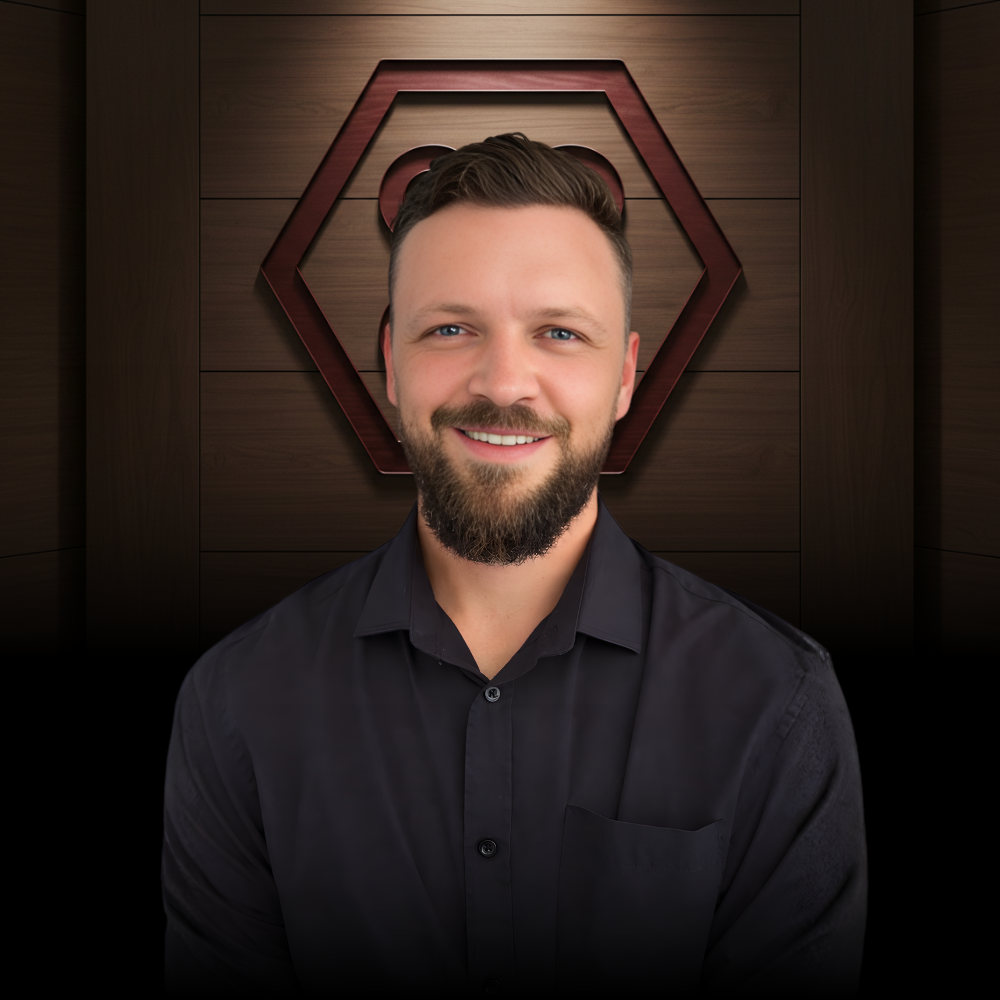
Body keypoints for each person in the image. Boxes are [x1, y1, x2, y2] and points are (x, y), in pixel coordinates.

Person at [162, 134, 866, 996]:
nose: (503, 383)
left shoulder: (777, 699)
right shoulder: (236, 699)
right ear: (391, 364)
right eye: (451, 329)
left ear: (625, 377)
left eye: (559, 333)